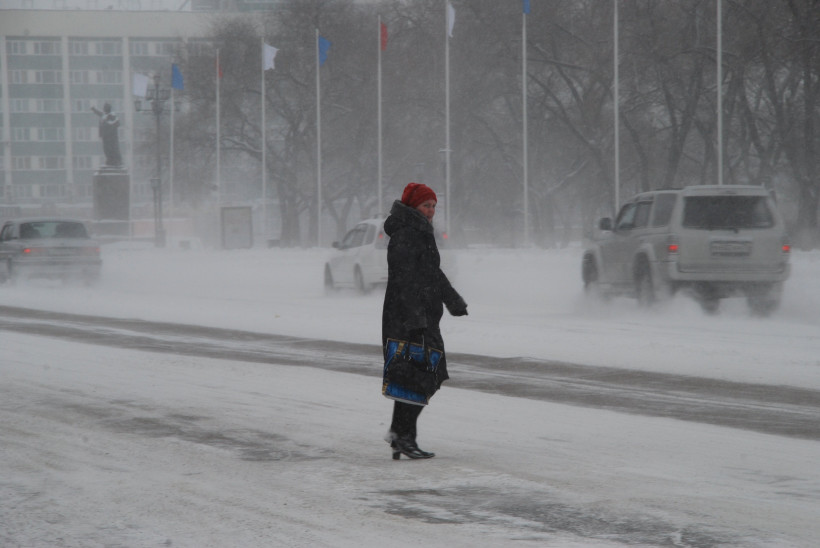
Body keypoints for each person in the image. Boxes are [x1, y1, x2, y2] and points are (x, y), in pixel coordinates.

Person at [382, 182, 468, 459]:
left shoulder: (420, 231)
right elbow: (404, 279)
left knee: (416, 376)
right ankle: (402, 436)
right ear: (413, 206)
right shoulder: (406, 234)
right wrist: (415, 318)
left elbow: (432, 272)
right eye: (425, 205)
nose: (431, 210)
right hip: (408, 317)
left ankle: (400, 435)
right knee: (420, 376)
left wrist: (452, 299)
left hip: (421, 316)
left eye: (433, 206)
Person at [91, 102, 123, 167]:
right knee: (106, 149)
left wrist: (110, 124)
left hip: (111, 137)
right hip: (105, 136)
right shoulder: (104, 115)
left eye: (105, 108)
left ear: (108, 109)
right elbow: (99, 113)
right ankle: (110, 160)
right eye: (104, 108)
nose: (104, 109)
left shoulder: (112, 116)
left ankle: (116, 161)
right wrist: (94, 109)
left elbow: (117, 123)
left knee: (113, 149)